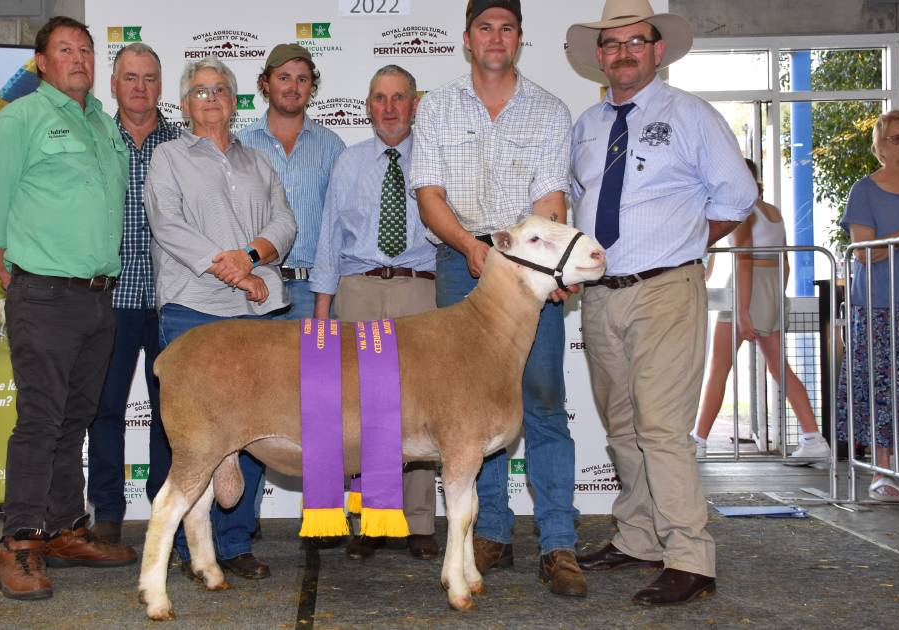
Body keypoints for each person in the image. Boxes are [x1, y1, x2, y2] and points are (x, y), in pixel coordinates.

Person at [566, 0, 756, 606]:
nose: (623, 53)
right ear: (600, 55)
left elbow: (736, 196)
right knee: (622, 425)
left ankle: (690, 557)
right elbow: (581, 203)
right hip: (602, 295)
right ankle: (639, 536)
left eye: (635, 42)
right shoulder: (587, 126)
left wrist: (684, 246)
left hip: (667, 290)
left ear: (657, 50)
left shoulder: (691, 115)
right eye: (612, 44)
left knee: (661, 426)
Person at [410, 0, 586, 597]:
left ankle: (559, 541)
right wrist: (469, 245)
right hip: (464, 263)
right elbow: (429, 192)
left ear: (518, 39)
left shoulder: (549, 110)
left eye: (506, 27)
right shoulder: (435, 108)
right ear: (467, 39)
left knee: (541, 399)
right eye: (484, 27)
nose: (495, 36)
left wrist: (540, 264)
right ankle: (491, 532)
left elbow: (552, 200)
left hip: (529, 267)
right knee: (468, 410)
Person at [0, 16, 137, 601]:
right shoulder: (19, 120)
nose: (79, 59)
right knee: (41, 421)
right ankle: (17, 544)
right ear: (41, 61)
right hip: (43, 293)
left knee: (75, 420)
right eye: (65, 50)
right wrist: (25, 285)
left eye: (86, 51)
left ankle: (65, 529)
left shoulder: (101, 124)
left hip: (97, 297)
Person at [145, 56, 297, 579]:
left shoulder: (259, 161)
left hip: (260, 313)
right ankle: (191, 550)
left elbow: (285, 222)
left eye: (221, 90)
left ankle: (234, 544)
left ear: (236, 102)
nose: (212, 98)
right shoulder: (167, 158)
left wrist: (251, 258)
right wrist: (234, 271)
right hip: (195, 311)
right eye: (201, 91)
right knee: (196, 436)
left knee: (258, 431)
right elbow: (169, 225)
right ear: (185, 104)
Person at [310, 64, 439, 562]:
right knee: (360, 411)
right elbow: (328, 239)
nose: (389, 108)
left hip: (418, 291)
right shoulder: (349, 162)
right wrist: (322, 315)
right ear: (367, 106)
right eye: (380, 98)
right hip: (358, 290)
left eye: (399, 97)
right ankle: (370, 521)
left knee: (419, 408)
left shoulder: (434, 161)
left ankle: (420, 522)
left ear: (415, 104)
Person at [86, 43, 184, 544]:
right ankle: (106, 510)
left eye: (149, 78)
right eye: (130, 77)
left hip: (171, 302)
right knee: (106, 410)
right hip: (113, 301)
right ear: (114, 85)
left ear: (161, 87)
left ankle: (163, 506)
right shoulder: (96, 138)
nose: (140, 87)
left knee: (171, 413)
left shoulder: (182, 144)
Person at [692, 159, 830, 462]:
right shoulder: (772, 211)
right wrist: (775, 300)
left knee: (719, 366)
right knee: (779, 366)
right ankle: (813, 436)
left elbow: (744, 260)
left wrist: (742, 310)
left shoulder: (743, 211)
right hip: (771, 288)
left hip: (749, 288)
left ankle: (698, 440)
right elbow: (785, 263)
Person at [835, 108, 899, 503]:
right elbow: (865, 253)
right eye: (898, 138)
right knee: (882, 384)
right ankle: (881, 470)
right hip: (879, 304)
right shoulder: (865, 190)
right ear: (880, 147)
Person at [239, 43, 345, 321]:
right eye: (283, 77)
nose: (293, 87)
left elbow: (341, 224)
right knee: (255, 366)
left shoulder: (332, 147)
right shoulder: (241, 144)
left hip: (314, 291)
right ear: (265, 83)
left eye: (302, 79)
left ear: (312, 86)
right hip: (254, 287)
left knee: (314, 367)